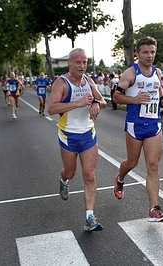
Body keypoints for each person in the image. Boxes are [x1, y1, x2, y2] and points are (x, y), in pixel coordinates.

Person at [48, 48, 107, 231]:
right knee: (71, 172)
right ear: (70, 63)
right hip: (68, 135)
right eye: (78, 62)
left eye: (85, 62)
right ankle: (63, 179)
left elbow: (103, 101)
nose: (82, 66)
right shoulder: (61, 82)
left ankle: (89, 218)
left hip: (88, 134)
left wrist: (96, 103)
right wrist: (78, 103)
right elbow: (51, 109)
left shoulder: (88, 81)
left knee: (89, 174)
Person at [112, 36, 163, 222]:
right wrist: (134, 100)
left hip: (154, 124)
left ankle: (154, 209)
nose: (149, 55)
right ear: (137, 53)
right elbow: (115, 97)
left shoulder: (157, 71)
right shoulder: (130, 73)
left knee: (153, 165)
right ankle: (120, 178)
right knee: (132, 162)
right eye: (145, 52)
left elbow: (158, 88)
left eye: (152, 52)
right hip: (135, 124)